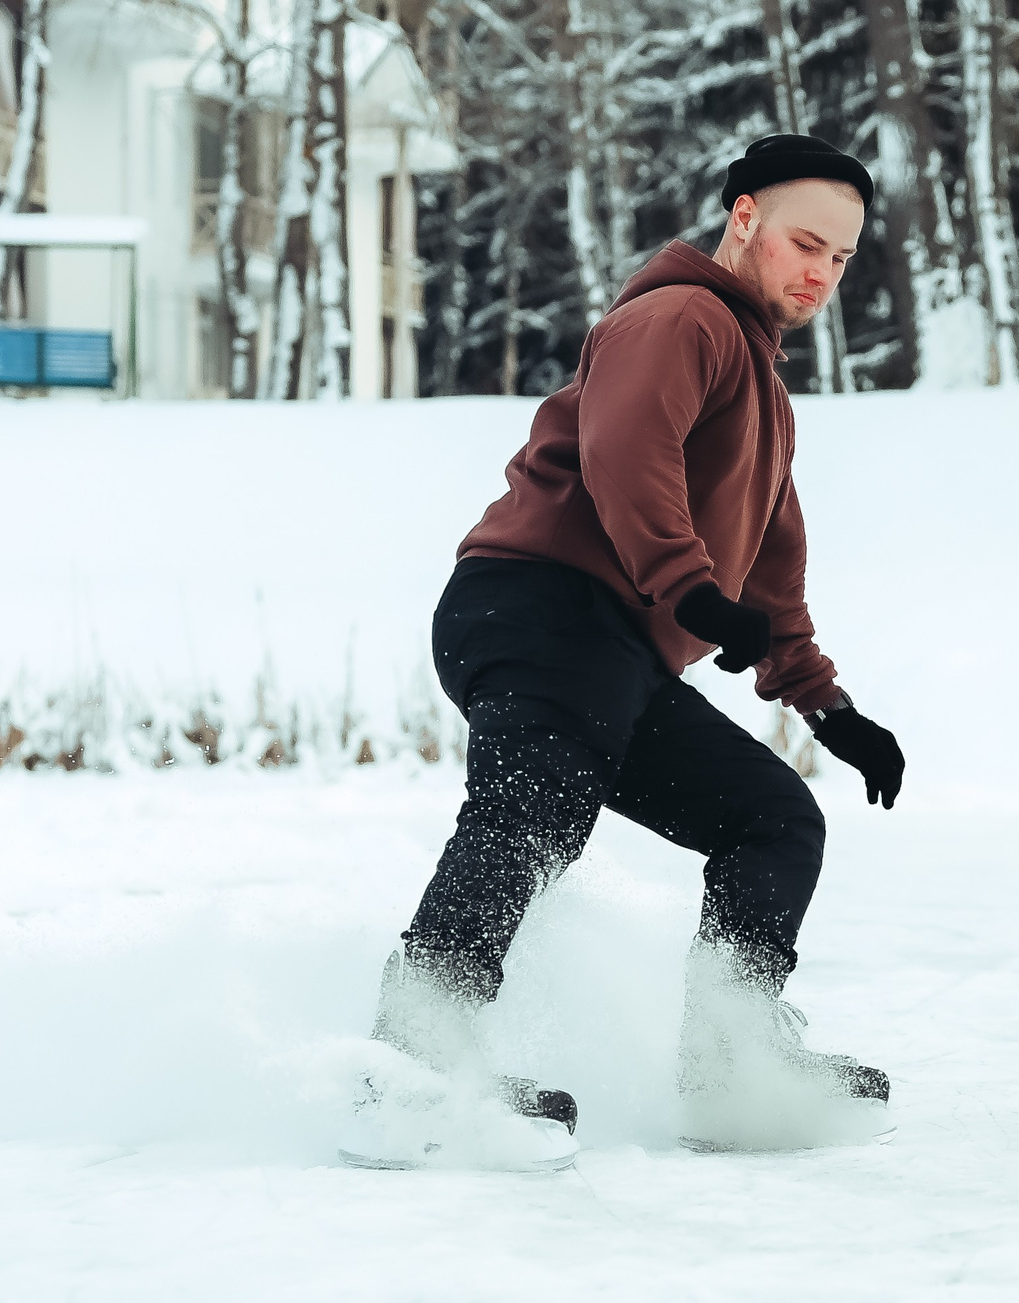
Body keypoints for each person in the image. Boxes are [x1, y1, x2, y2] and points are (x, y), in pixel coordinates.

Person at [337, 135, 906, 1172]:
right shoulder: (677, 318)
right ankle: (410, 1061)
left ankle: (726, 1063)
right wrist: (687, 585)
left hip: (615, 652)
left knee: (773, 820)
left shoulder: (765, 394)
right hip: (536, 604)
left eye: (841, 257)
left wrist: (829, 710)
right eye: (805, 243)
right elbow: (623, 452)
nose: (821, 273)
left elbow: (773, 572)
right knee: (536, 802)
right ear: (744, 219)